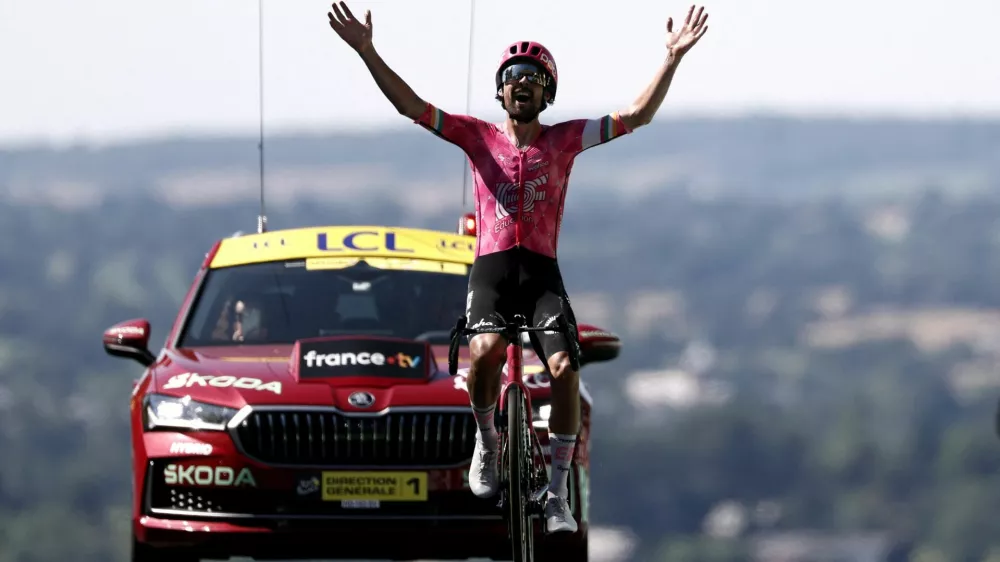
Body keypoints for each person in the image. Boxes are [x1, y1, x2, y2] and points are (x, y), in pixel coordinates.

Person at [327, 0, 709, 535]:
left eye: (534, 77)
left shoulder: (565, 139)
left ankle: (554, 494)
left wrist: (670, 58)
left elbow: (636, 117)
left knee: (565, 375)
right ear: (500, 91)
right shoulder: (475, 136)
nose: (522, 83)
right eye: (512, 77)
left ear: (546, 93)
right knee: (482, 353)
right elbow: (411, 106)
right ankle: (486, 444)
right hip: (492, 271)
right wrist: (368, 51)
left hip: (541, 276)